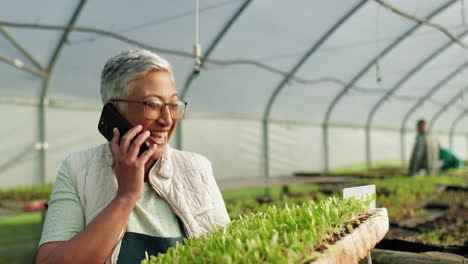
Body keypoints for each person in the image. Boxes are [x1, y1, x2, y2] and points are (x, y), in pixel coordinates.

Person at [35, 49, 231, 264]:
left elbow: (228, 249)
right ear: (114, 111)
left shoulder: (197, 167)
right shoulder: (79, 168)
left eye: (173, 105)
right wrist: (126, 196)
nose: (167, 120)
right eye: (153, 105)